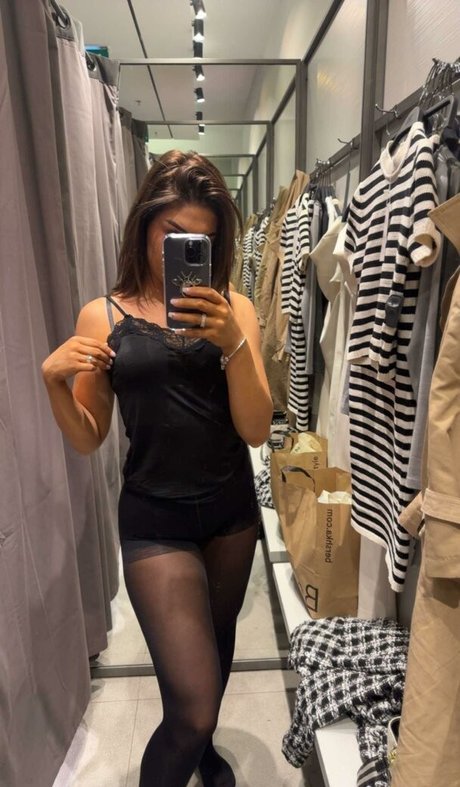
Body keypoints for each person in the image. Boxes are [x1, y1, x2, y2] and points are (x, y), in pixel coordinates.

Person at [41, 149, 273, 787]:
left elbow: (256, 429)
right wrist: (54, 383)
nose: (184, 248)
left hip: (230, 515)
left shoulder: (235, 309)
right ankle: (195, 739)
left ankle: (202, 751)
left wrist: (233, 343)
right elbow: (89, 436)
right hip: (154, 520)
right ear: (145, 225)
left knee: (215, 657)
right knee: (192, 706)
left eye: (201, 238)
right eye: (173, 233)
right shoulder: (103, 315)